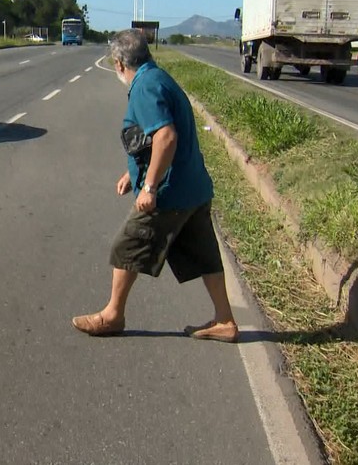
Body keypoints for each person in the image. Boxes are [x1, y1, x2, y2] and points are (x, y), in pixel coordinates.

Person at [71, 28, 239, 343]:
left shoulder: (145, 87)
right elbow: (149, 141)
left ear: (119, 63)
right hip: (194, 189)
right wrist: (130, 172)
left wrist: (148, 187)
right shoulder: (158, 78)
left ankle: (112, 315)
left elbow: (165, 137)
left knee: (126, 246)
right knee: (205, 255)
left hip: (170, 193)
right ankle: (225, 320)